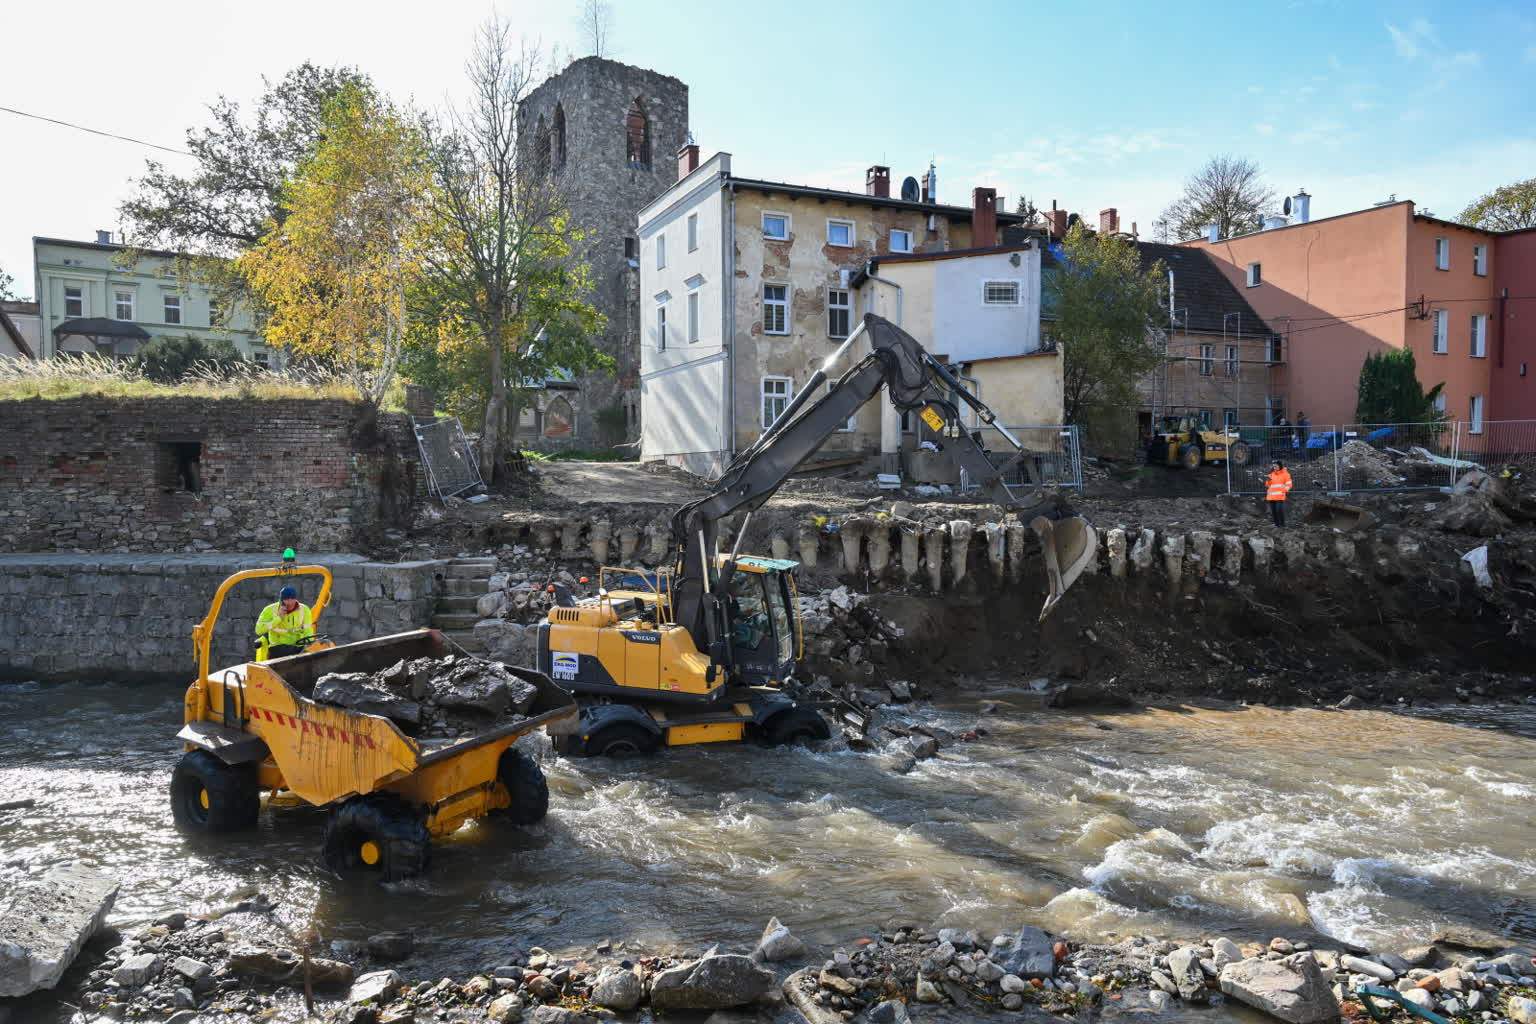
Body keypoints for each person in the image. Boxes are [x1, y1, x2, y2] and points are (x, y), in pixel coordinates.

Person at [256, 585, 313, 659]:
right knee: (293, 652)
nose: (290, 602)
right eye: (287, 599)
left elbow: (308, 632)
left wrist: (309, 647)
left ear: (295, 599)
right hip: (278, 647)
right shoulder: (269, 610)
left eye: (292, 599)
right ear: (281, 600)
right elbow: (259, 630)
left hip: (297, 647)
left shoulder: (304, 610)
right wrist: (278, 618)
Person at [1265, 460, 1293, 527]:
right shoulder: (1271, 474)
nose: (1275, 468)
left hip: (1280, 496)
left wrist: (1283, 491)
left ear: (1280, 466)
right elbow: (1267, 485)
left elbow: (1289, 485)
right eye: (1274, 466)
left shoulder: (1286, 474)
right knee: (1274, 512)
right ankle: (1277, 525)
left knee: (1279, 511)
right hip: (1271, 497)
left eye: (1276, 466)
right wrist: (1268, 481)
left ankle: (1283, 525)